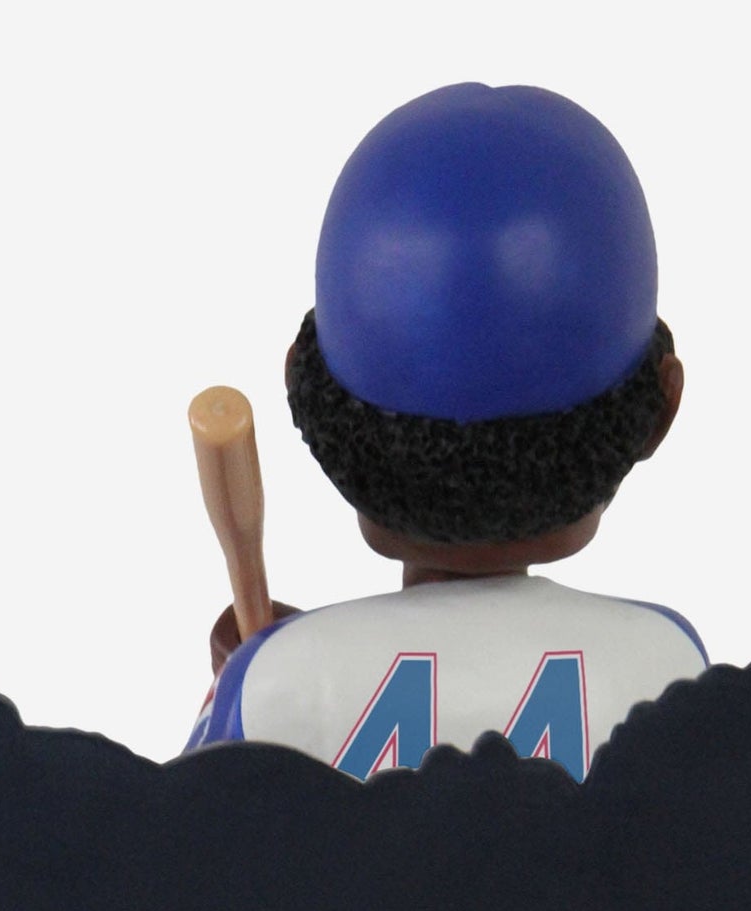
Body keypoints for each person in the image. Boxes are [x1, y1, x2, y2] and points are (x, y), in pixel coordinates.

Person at [185, 83, 706, 782]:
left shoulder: (272, 686)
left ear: (302, 398)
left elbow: (193, 834)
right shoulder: (671, 669)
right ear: (660, 412)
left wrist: (258, 685)